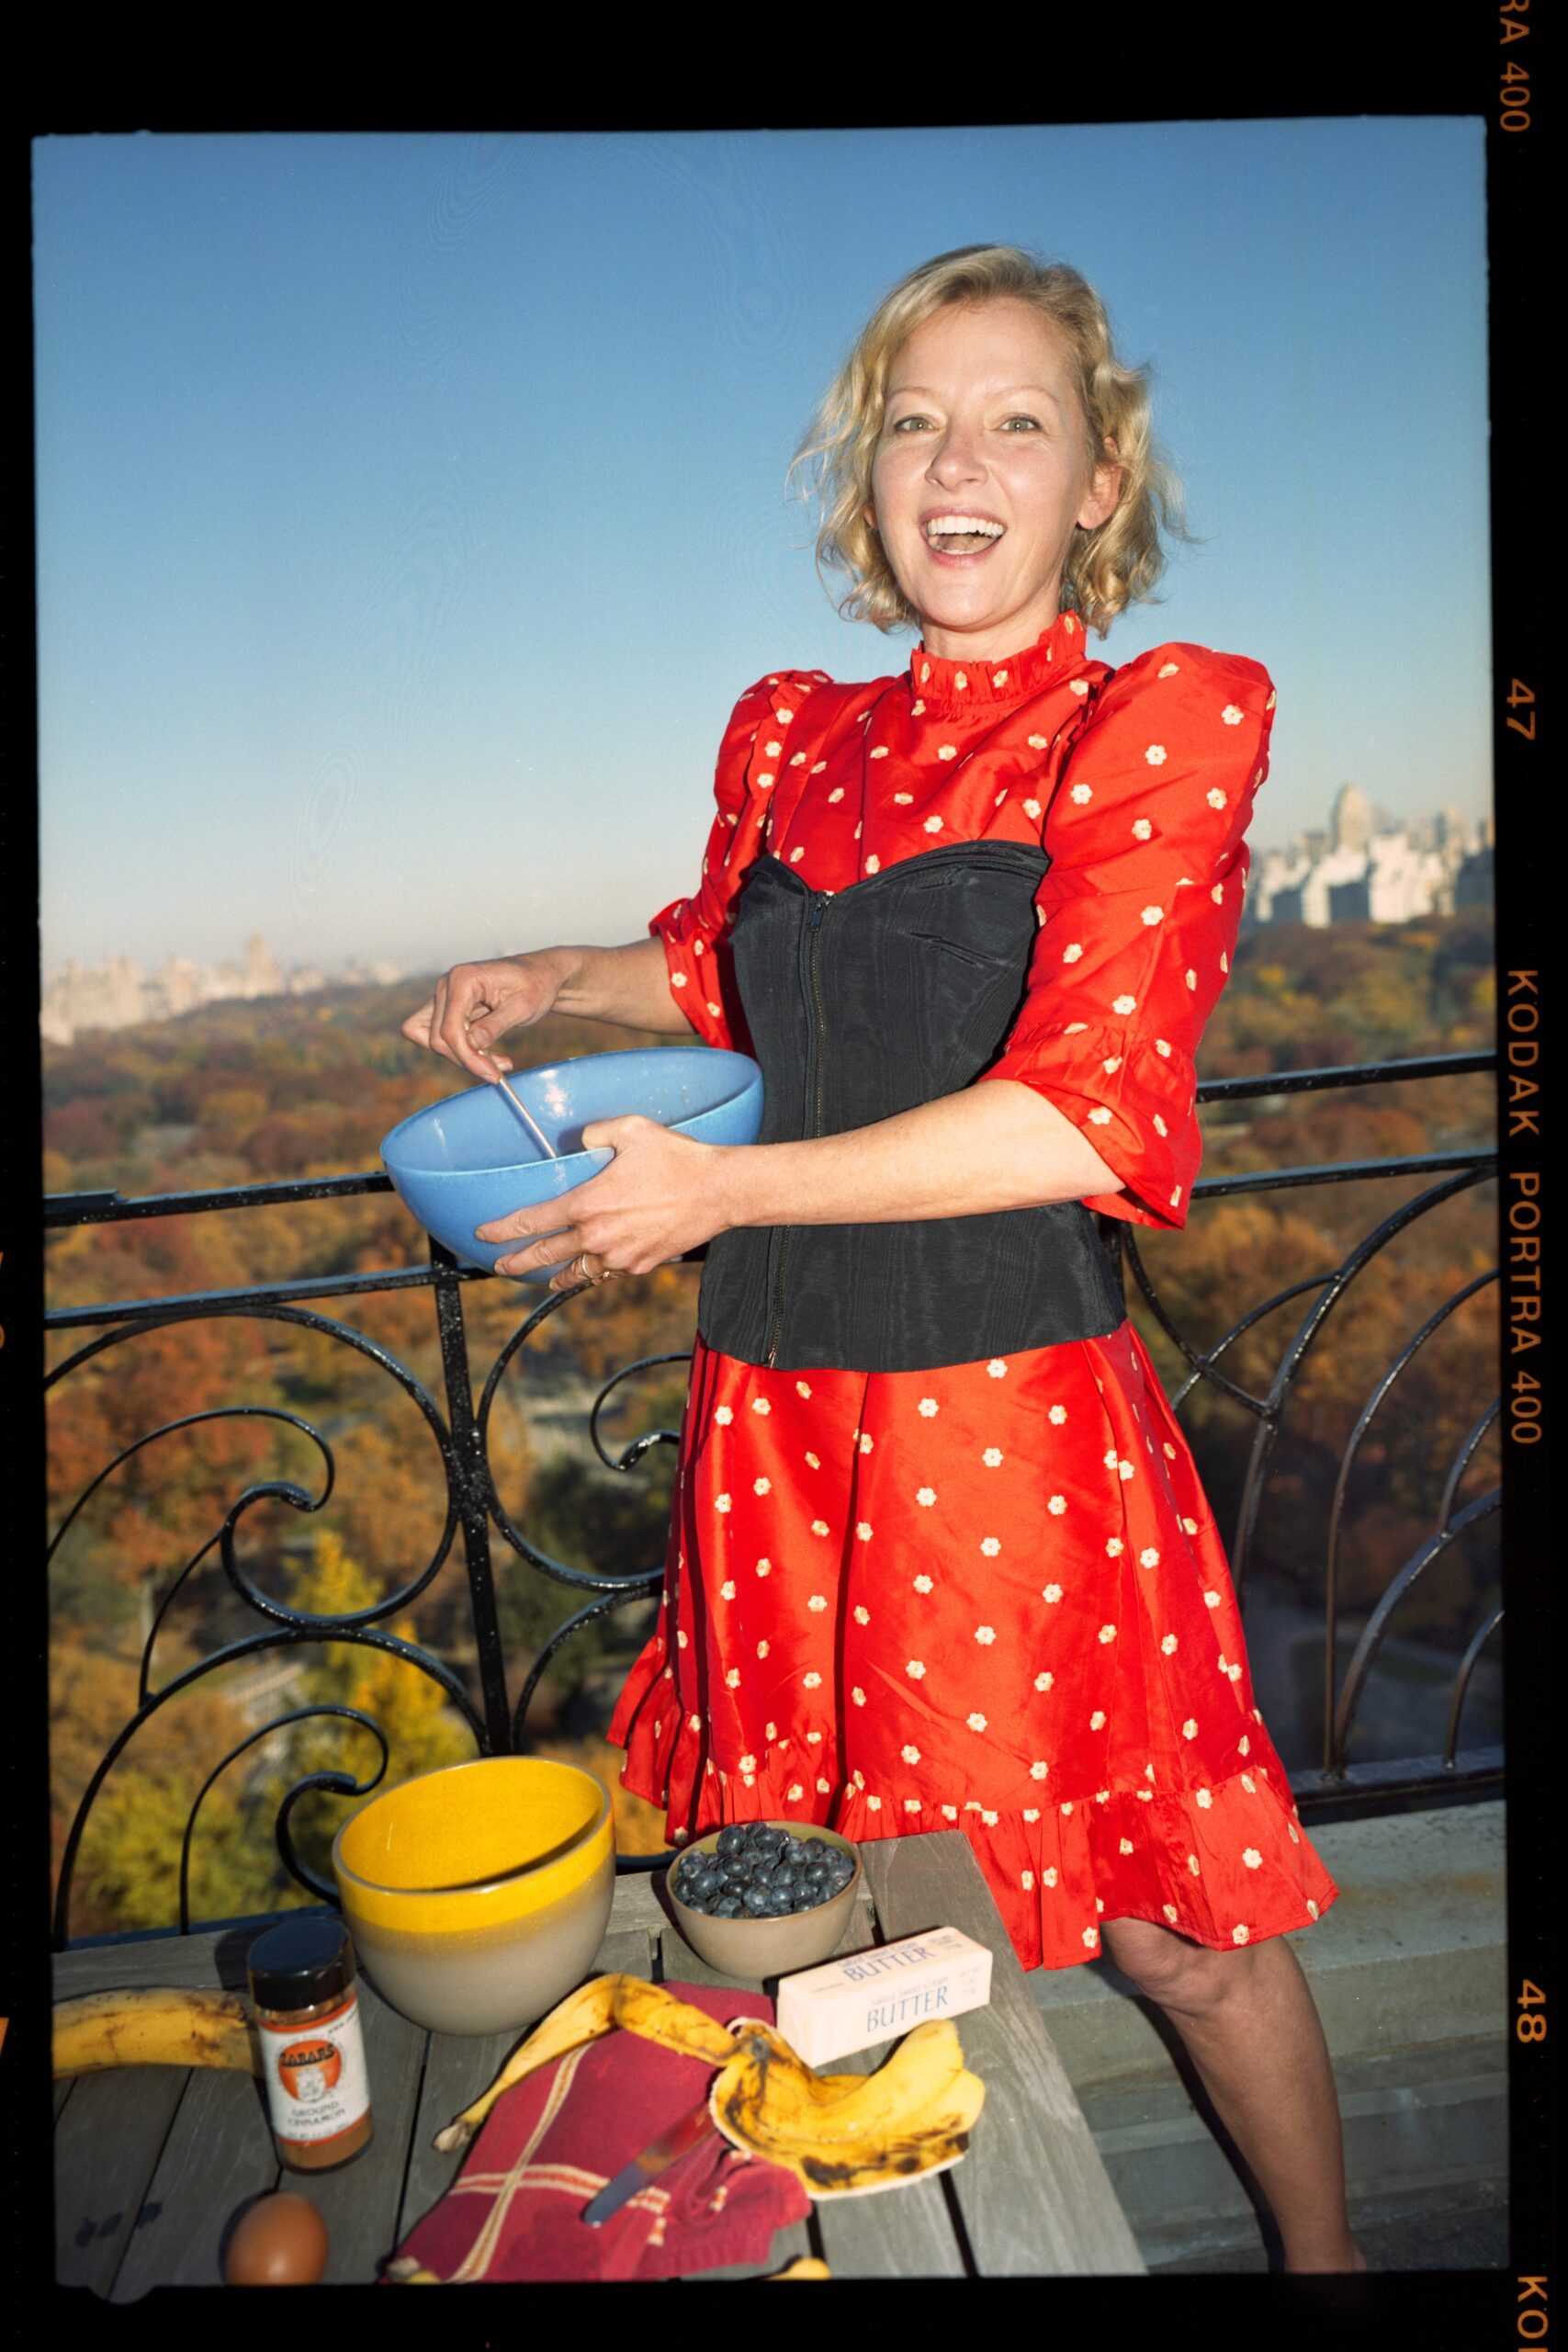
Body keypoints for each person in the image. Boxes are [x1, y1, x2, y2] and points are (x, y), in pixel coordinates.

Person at [402, 245, 1365, 2273]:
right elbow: (726, 966)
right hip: (775, 1421)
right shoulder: (787, 729)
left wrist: (721, 1192)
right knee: (818, 1901)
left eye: (1016, 417)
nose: (957, 457)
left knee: (1171, 1937)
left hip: (998, 1431)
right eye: (912, 418)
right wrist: (544, 973)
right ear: (866, 477)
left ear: (1097, 480)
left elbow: (1084, 1111)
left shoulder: (1155, 716)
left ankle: (1333, 2268)